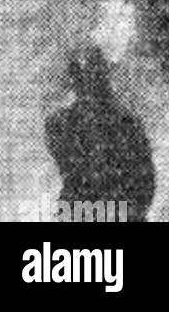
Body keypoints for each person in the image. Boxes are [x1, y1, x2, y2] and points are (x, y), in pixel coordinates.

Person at [44, 46, 156, 222]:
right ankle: (79, 61)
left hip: (87, 134)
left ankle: (80, 60)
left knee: (93, 104)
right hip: (86, 135)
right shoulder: (140, 198)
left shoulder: (141, 198)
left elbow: (139, 144)